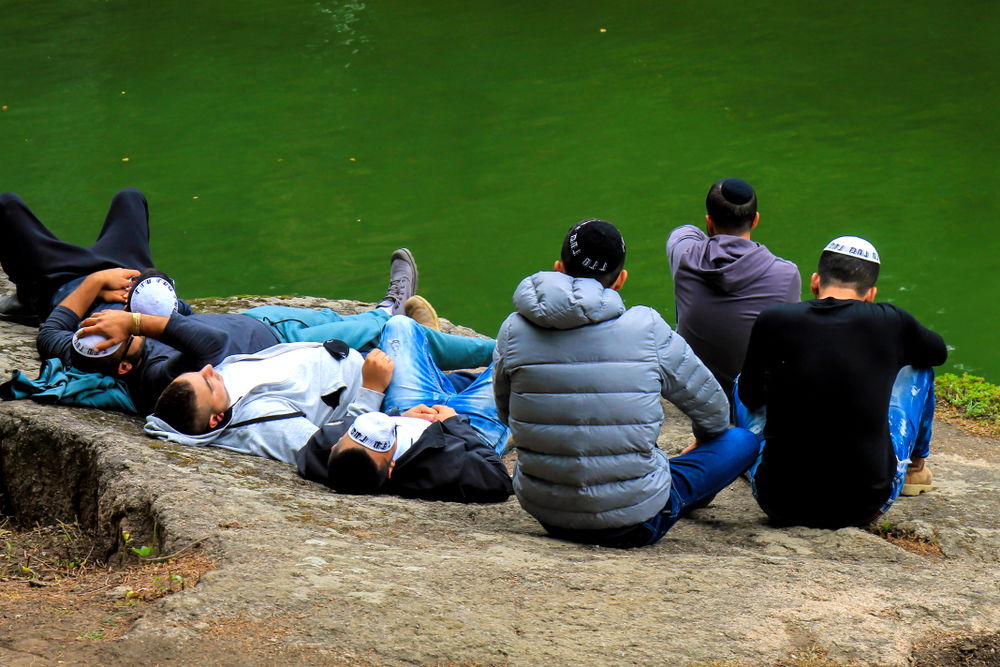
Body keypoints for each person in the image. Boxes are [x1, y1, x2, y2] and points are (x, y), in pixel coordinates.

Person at [493, 218, 758, 548]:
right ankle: (687, 495)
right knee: (742, 440)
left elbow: (506, 414)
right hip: (637, 521)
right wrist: (704, 441)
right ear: (620, 280)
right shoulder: (647, 327)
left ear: (559, 268)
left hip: (547, 511)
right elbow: (715, 411)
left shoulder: (512, 330)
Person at [734, 236, 947, 529]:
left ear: (815, 281)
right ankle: (916, 469)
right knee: (920, 368)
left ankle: (744, 458)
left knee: (741, 380)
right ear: (870, 294)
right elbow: (938, 353)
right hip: (864, 505)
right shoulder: (891, 320)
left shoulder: (773, 318)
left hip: (779, 502)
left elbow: (751, 396)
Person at [145, 315, 510, 478]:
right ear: (215, 418)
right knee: (521, 357)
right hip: (405, 409)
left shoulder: (225, 385)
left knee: (398, 325)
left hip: (377, 375)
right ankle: (487, 371)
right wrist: (372, 390)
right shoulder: (262, 426)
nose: (211, 370)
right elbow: (338, 448)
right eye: (208, 383)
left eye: (202, 372)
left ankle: (460, 376)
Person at [666, 178, 800, 402]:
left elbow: (684, 231)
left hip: (695, 399)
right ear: (755, 220)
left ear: (709, 222)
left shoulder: (684, 253)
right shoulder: (786, 275)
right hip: (751, 403)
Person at [0, 189, 179, 325]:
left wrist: (97, 284)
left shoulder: (82, 345)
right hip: (127, 275)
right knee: (130, 197)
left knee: (7, 204)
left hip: (66, 282)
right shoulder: (176, 336)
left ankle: (25, 300)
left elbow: (52, 329)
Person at [296, 408, 513, 503]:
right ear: (392, 467)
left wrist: (398, 417)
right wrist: (454, 423)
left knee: (400, 330)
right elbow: (500, 479)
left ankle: (461, 379)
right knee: (514, 361)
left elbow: (306, 455)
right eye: (381, 445)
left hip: (411, 408)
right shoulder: (445, 469)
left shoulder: (320, 448)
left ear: (334, 447)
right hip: (473, 424)